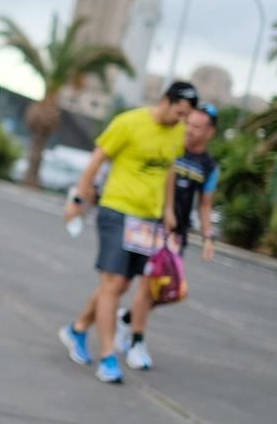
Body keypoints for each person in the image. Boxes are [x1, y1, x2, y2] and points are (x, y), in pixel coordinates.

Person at [58, 81, 197, 384]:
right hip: (117, 210)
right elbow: (96, 160)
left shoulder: (177, 132)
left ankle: (78, 329)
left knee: (119, 286)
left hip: (147, 221)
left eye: (186, 116)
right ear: (165, 101)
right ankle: (108, 356)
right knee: (114, 281)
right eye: (179, 112)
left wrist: (169, 211)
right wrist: (80, 199)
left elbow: (170, 170)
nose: (181, 120)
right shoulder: (129, 123)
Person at [114, 103, 220, 370]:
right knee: (146, 286)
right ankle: (137, 342)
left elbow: (205, 204)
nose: (189, 130)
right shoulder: (171, 145)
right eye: (188, 124)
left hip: (177, 235)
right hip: (151, 226)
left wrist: (208, 236)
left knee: (167, 292)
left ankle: (126, 319)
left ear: (210, 132)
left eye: (197, 127)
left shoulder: (209, 166)